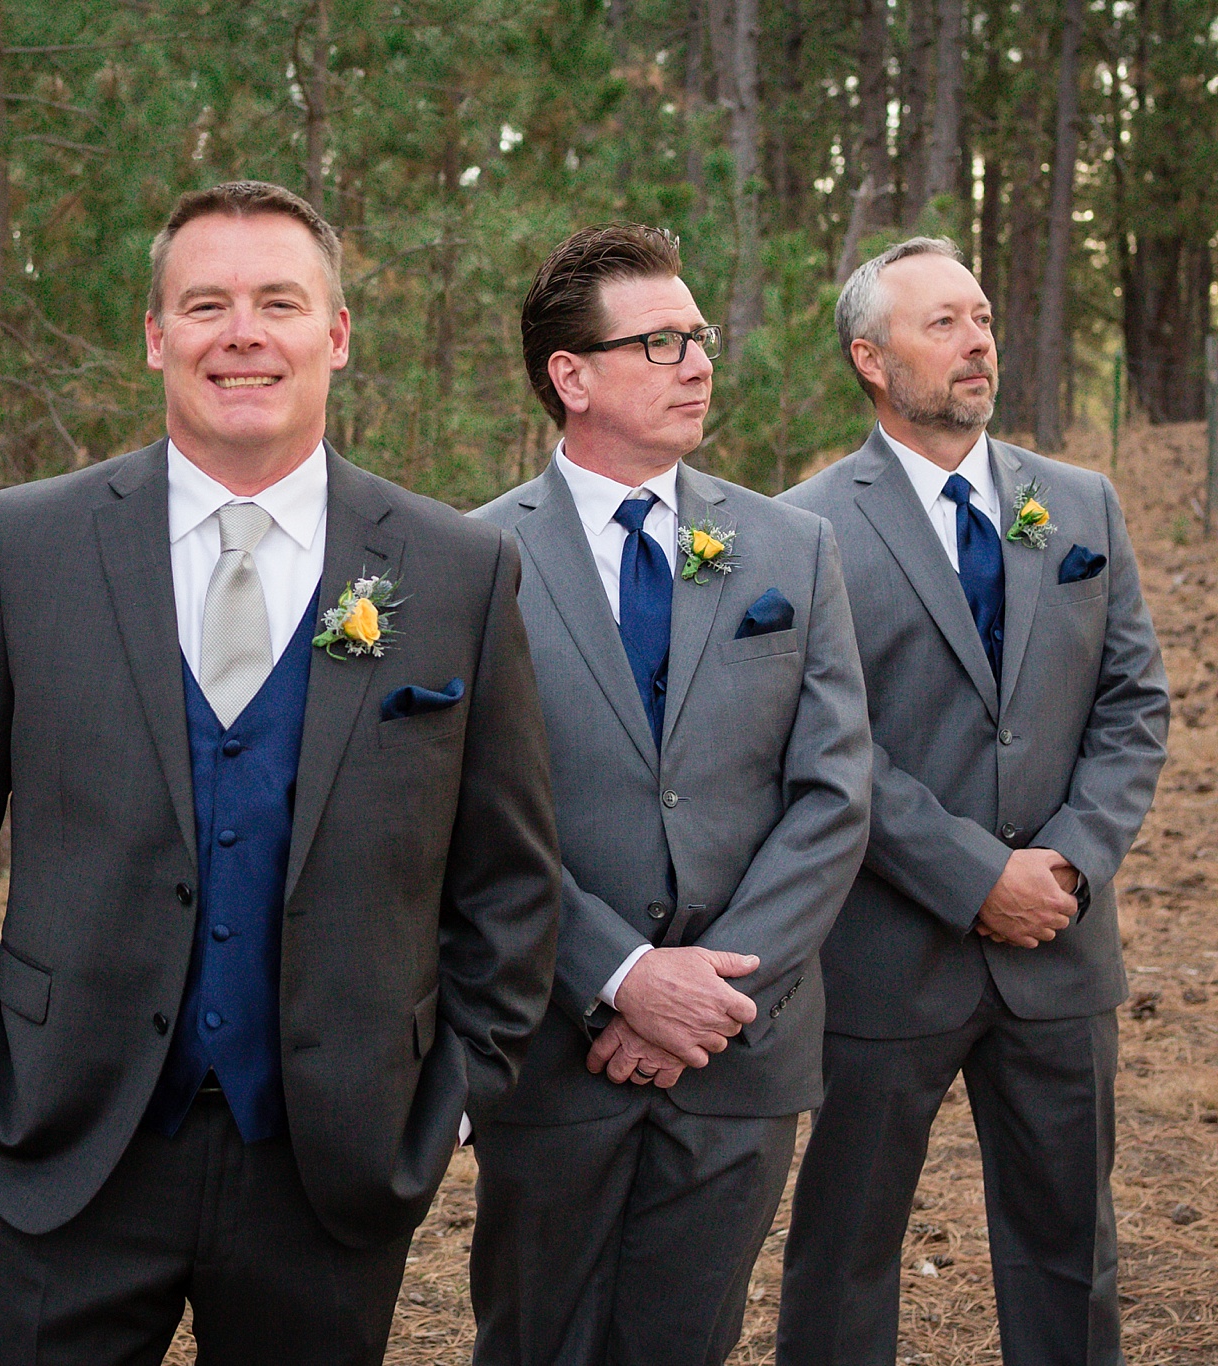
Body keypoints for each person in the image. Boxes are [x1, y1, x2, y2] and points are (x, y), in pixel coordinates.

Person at [0, 179, 562, 1365]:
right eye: (204, 304)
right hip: (60, 1151)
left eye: (278, 302)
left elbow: (507, 879)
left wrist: (447, 1098)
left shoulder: (457, 570)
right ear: (154, 337)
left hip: (331, 1163)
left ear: (334, 335)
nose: (241, 332)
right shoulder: (27, 543)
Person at [466, 223, 872, 1365]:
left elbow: (833, 792)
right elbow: (467, 820)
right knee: (532, 1341)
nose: (697, 361)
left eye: (695, 337)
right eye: (658, 342)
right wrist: (620, 978)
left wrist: (710, 996)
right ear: (571, 376)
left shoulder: (792, 549)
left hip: (739, 1050)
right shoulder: (470, 561)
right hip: (550, 1052)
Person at [777, 236, 1169, 1365]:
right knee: (842, 1250)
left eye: (982, 316)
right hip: (884, 956)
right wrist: (969, 876)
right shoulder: (801, 530)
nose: (976, 341)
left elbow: (1133, 703)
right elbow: (820, 741)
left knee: (1067, 1247)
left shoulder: (1080, 505)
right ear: (868, 356)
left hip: (1059, 947)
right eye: (940, 323)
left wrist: (1065, 863)